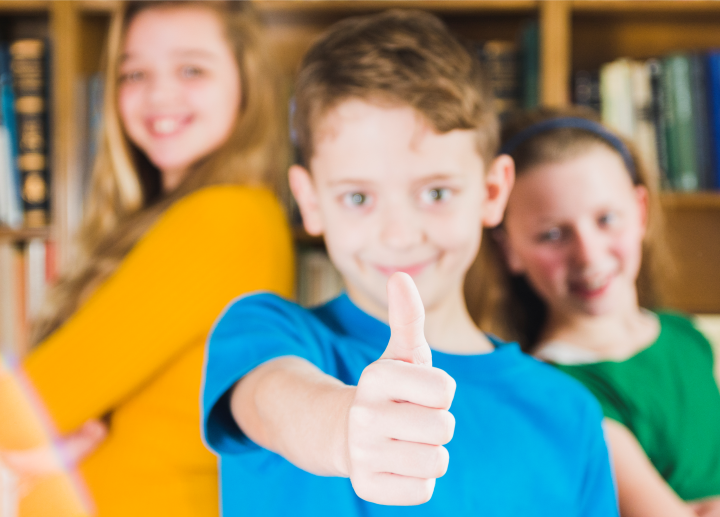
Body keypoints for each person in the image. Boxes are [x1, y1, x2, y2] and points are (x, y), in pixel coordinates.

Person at [201, 10, 618, 516]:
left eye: (436, 192)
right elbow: (273, 402)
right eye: (358, 198)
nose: (399, 234)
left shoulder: (569, 416)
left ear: (492, 191)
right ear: (310, 202)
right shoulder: (264, 333)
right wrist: (345, 428)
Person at [0, 1, 293, 516]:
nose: (159, 94)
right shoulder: (181, 217)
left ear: (246, 83)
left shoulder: (227, 216)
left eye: (191, 69)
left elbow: (24, 409)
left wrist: (21, 454)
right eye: (134, 72)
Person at [490, 108, 720, 516]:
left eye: (607, 219)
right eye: (552, 234)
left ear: (641, 212)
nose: (588, 254)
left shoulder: (685, 335)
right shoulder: (561, 392)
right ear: (510, 249)